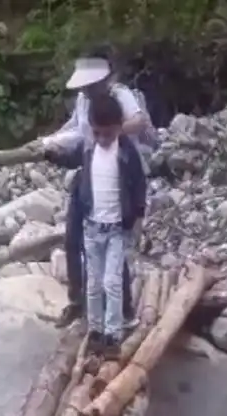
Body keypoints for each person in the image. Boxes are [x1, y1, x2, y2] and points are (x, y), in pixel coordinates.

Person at [35, 45, 153, 329]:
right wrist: (46, 143)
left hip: (116, 179)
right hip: (88, 175)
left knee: (112, 246)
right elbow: (76, 131)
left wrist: (110, 132)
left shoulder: (119, 94)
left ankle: (122, 311)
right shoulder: (83, 101)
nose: (86, 89)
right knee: (73, 239)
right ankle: (78, 302)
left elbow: (139, 121)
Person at [44, 92, 147, 358]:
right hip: (92, 227)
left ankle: (113, 334)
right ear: (92, 129)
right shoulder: (88, 148)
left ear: (118, 127)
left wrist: (138, 217)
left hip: (115, 229)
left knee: (112, 281)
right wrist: (50, 153)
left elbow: (139, 186)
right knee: (93, 283)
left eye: (108, 134)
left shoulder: (126, 152)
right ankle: (96, 331)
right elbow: (69, 157)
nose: (102, 139)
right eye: (98, 133)